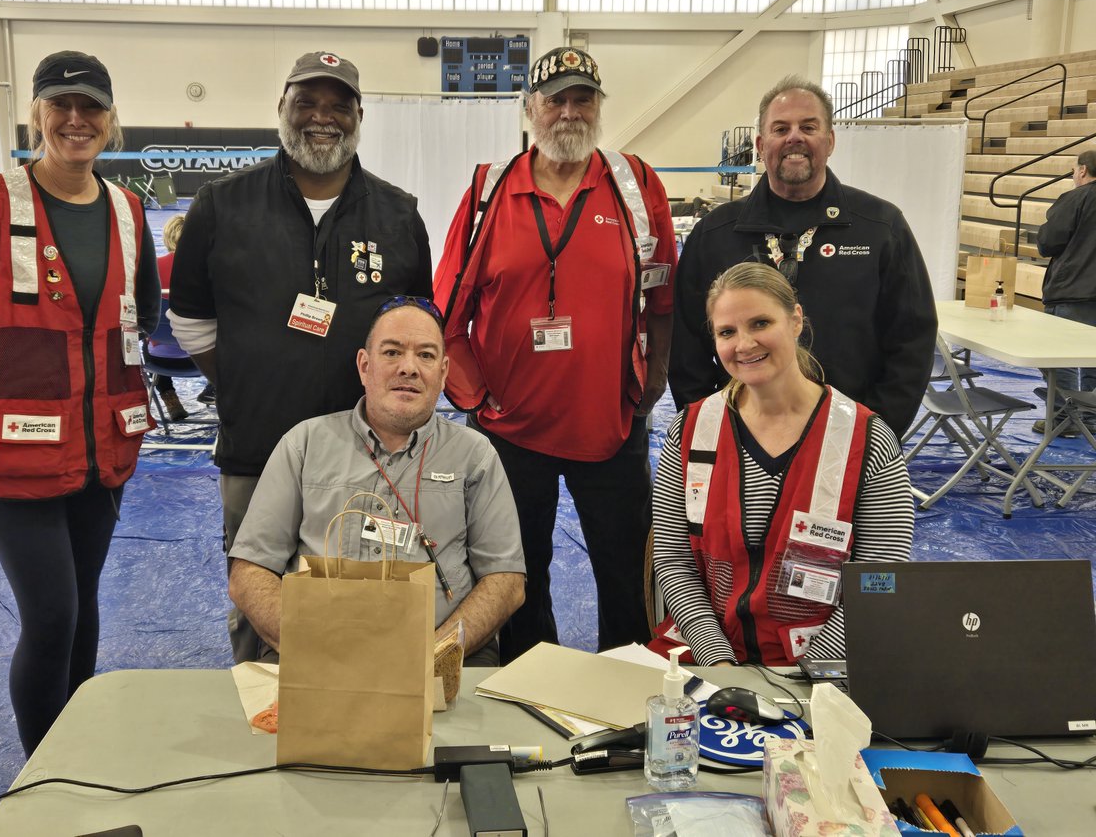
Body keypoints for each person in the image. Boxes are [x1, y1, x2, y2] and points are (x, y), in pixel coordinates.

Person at [0, 50, 160, 754]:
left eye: (91, 107)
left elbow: (139, 313)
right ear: (38, 115)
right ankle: (42, 783)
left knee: (83, 613)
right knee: (53, 614)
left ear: (111, 122)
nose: (76, 120)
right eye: (62, 106)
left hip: (98, 457)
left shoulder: (127, 212)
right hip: (12, 458)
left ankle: (73, 759)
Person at [168, 51, 433, 663]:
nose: (322, 118)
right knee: (260, 608)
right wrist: (239, 380)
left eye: (339, 105)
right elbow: (188, 316)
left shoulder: (398, 214)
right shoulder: (222, 205)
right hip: (257, 449)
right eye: (306, 102)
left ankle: (366, 730)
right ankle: (261, 736)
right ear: (281, 108)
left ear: (359, 116)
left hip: (372, 456)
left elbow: (416, 328)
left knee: (370, 601)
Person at [433, 46, 678, 662]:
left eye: (582, 98)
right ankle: (528, 687)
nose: (569, 112)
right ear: (529, 109)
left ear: (598, 107)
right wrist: (474, 396)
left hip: (611, 425)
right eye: (555, 99)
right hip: (509, 436)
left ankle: (624, 694)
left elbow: (664, 295)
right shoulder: (489, 191)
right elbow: (447, 316)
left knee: (626, 575)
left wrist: (652, 384)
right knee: (515, 578)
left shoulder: (635, 184)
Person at [227, 296, 526, 664]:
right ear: (364, 366)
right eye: (392, 352)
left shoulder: (475, 456)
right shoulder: (303, 445)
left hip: (441, 662)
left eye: (427, 356)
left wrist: (431, 656)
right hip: (314, 660)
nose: (409, 368)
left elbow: (506, 582)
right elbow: (249, 572)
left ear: (444, 373)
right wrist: (312, 650)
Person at [652, 263, 913, 666]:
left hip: (825, 665)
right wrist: (719, 663)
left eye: (760, 323)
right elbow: (674, 561)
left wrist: (813, 676)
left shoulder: (867, 438)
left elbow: (882, 576)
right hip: (709, 659)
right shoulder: (689, 431)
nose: (744, 344)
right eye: (727, 332)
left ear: (795, 320)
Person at [669, 75, 937, 440]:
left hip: (849, 438)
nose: (794, 137)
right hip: (741, 438)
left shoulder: (880, 228)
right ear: (761, 145)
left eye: (808, 127)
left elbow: (912, 340)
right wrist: (715, 430)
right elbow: (686, 347)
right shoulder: (714, 235)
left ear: (829, 141)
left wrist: (875, 435)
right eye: (781, 128)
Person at [1033, 149, 1096, 436]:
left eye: (1074, 169)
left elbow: (1048, 243)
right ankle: (1090, 417)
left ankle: (1067, 419)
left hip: (1075, 290)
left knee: (1060, 359)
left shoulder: (1076, 199)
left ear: (1082, 170)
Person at [149, 213, 191, 421]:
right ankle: (214, 390)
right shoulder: (210, 269)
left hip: (158, 359)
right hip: (204, 359)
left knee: (156, 332)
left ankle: (168, 395)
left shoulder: (150, 268)